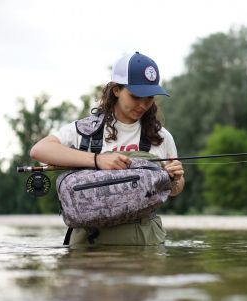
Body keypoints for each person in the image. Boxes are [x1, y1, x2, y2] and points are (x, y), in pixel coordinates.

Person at [29, 51, 185, 245]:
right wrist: (97, 160)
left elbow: (174, 190)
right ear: (116, 90)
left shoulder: (161, 136)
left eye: (149, 97)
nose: (143, 104)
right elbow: (39, 150)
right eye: (136, 96)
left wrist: (175, 179)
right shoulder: (84, 131)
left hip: (146, 241)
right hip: (88, 244)